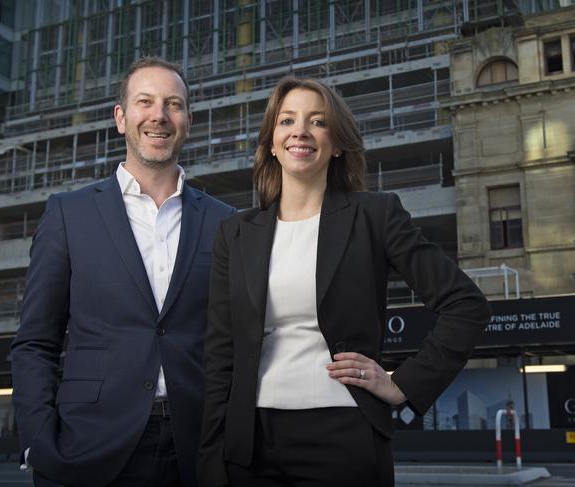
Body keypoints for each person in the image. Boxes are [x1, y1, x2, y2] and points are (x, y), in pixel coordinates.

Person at [197, 77, 491, 487]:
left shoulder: (376, 215)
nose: (300, 130)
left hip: (342, 436)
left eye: (317, 121)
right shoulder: (235, 233)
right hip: (249, 444)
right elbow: (220, 355)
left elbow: (466, 305)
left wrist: (402, 383)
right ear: (271, 143)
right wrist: (211, 457)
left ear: (336, 144)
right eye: (286, 121)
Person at [10, 57, 235, 487]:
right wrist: (37, 441)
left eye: (173, 104)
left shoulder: (226, 222)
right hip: (90, 447)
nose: (159, 116)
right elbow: (35, 342)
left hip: (201, 451)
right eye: (145, 102)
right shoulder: (68, 214)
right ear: (121, 117)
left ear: (187, 120)